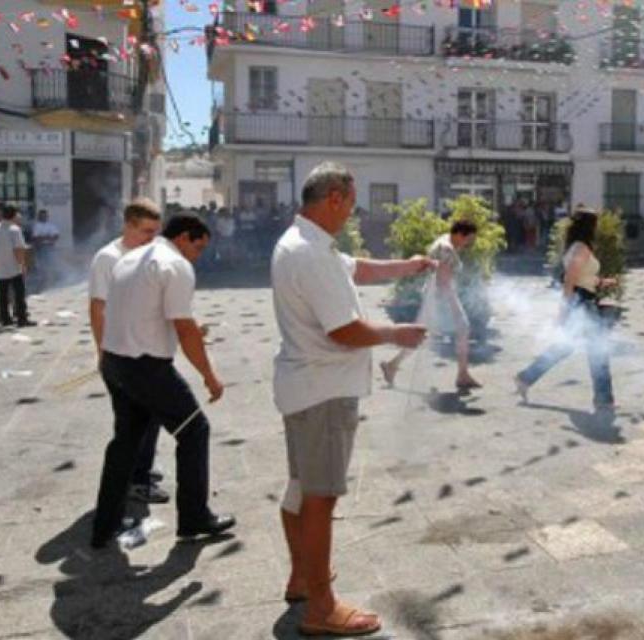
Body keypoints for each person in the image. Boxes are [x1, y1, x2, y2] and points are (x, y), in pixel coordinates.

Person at [271, 162, 434, 636]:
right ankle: (321, 607)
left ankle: (302, 577)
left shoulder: (301, 243)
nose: (352, 213)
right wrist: (395, 334)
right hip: (324, 391)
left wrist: (408, 265)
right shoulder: (312, 254)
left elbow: (358, 269)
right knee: (321, 498)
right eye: (351, 202)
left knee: (301, 488)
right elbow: (343, 329)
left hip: (303, 386)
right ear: (335, 198)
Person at [90, 213, 235, 548]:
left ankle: (104, 525)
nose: (197, 256)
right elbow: (183, 328)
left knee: (126, 441)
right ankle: (194, 517)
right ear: (184, 237)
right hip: (146, 367)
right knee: (195, 430)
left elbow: (150, 313)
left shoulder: (132, 258)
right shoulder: (175, 264)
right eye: (198, 247)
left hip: (116, 361)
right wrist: (210, 376)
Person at [89, 198, 167, 504]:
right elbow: (98, 308)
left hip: (146, 351)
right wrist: (103, 352)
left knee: (150, 415)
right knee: (135, 420)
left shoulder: (148, 254)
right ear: (128, 225)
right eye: (146, 231)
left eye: (155, 232)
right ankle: (137, 480)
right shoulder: (108, 258)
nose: (152, 238)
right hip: (122, 354)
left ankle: (140, 467)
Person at [514, 208, 616, 410]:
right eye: (595, 224)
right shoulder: (580, 248)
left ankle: (525, 377)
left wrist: (602, 281)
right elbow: (569, 280)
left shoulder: (578, 247)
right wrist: (565, 310)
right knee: (598, 351)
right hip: (582, 304)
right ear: (589, 226)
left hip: (583, 301)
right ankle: (604, 399)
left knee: (565, 347)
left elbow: (581, 277)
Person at [381, 220, 481, 390]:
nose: (468, 244)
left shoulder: (445, 241)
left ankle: (392, 365)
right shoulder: (447, 249)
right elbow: (444, 281)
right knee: (459, 328)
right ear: (459, 234)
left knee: (423, 335)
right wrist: (455, 307)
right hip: (439, 297)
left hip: (434, 295)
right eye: (468, 239)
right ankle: (462, 375)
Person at [0, 206, 35, 327]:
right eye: (18, 214)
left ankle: (5, 318)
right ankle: (22, 318)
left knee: (3, 295)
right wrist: (22, 265)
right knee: (19, 294)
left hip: (0, 267)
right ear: (14, 215)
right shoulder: (15, 230)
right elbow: (18, 250)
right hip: (13, 267)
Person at [32, 209, 60, 290]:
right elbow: (36, 238)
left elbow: (56, 236)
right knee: (42, 267)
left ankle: (51, 284)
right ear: (39, 216)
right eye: (42, 215)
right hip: (40, 249)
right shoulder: (36, 226)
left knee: (51, 266)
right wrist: (48, 237)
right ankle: (42, 286)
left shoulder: (51, 225)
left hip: (50, 248)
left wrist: (44, 237)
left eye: (45, 215)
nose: (43, 217)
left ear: (47, 216)